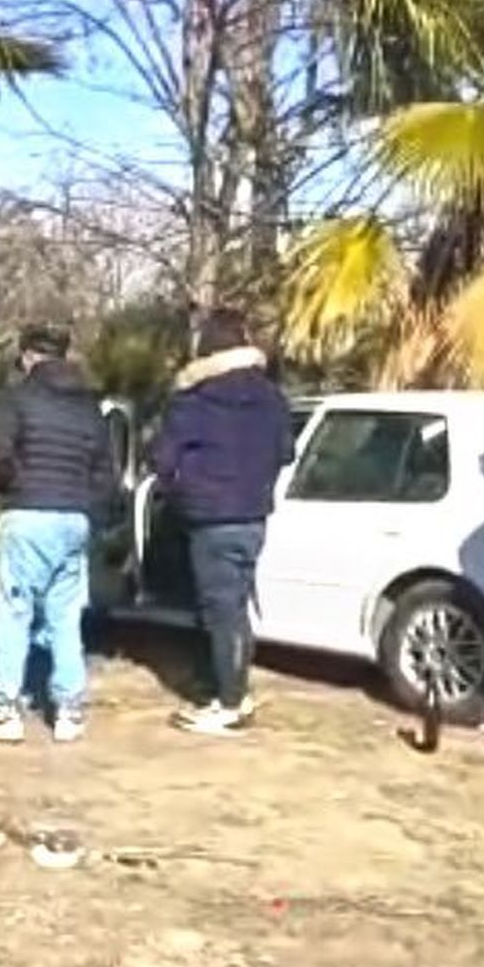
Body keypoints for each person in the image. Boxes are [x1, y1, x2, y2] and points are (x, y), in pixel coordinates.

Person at [0, 324, 113, 744]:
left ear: (28, 356)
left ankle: (4, 708)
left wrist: (12, 486)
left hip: (29, 511)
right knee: (65, 617)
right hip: (74, 518)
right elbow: (105, 470)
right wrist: (87, 507)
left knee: (14, 610)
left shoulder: (16, 399)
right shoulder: (89, 408)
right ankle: (69, 711)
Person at [152, 309, 294, 736]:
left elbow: (163, 458)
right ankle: (231, 688)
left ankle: (228, 703)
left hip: (210, 516)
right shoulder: (273, 398)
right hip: (253, 514)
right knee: (234, 607)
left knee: (221, 611)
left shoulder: (192, 401)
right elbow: (286, 452)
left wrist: (180, 484)